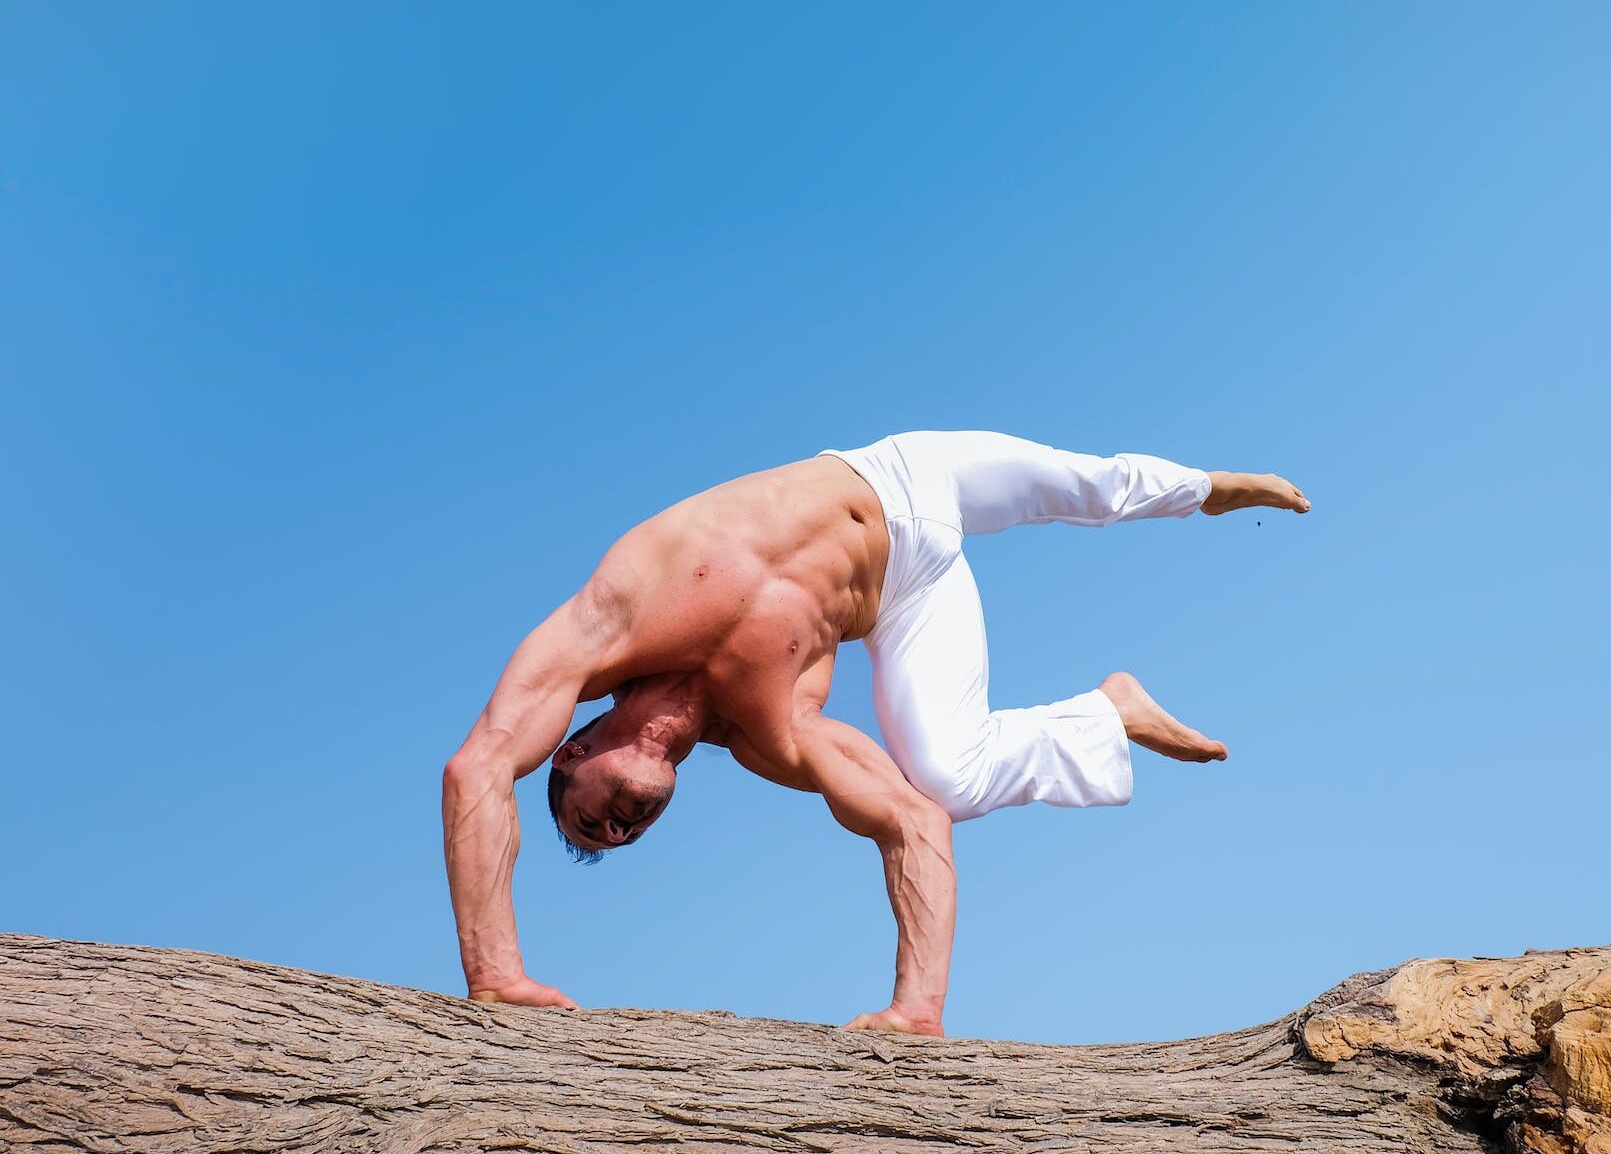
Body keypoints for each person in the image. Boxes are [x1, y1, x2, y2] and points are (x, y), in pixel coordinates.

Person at [441, 431, 1310, 1034]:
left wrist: (493, 976)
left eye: (591, 817)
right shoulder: (771, 732)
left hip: (903, 476)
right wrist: (916, 1009)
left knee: (1084, 484)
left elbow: (477, 764)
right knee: (948, 782)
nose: (620, 830)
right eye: (622, 838)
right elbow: (910, 819)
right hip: (908, 592)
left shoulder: (612, 623)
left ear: (571, 750)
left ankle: (1212, 488)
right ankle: (1106, 713)